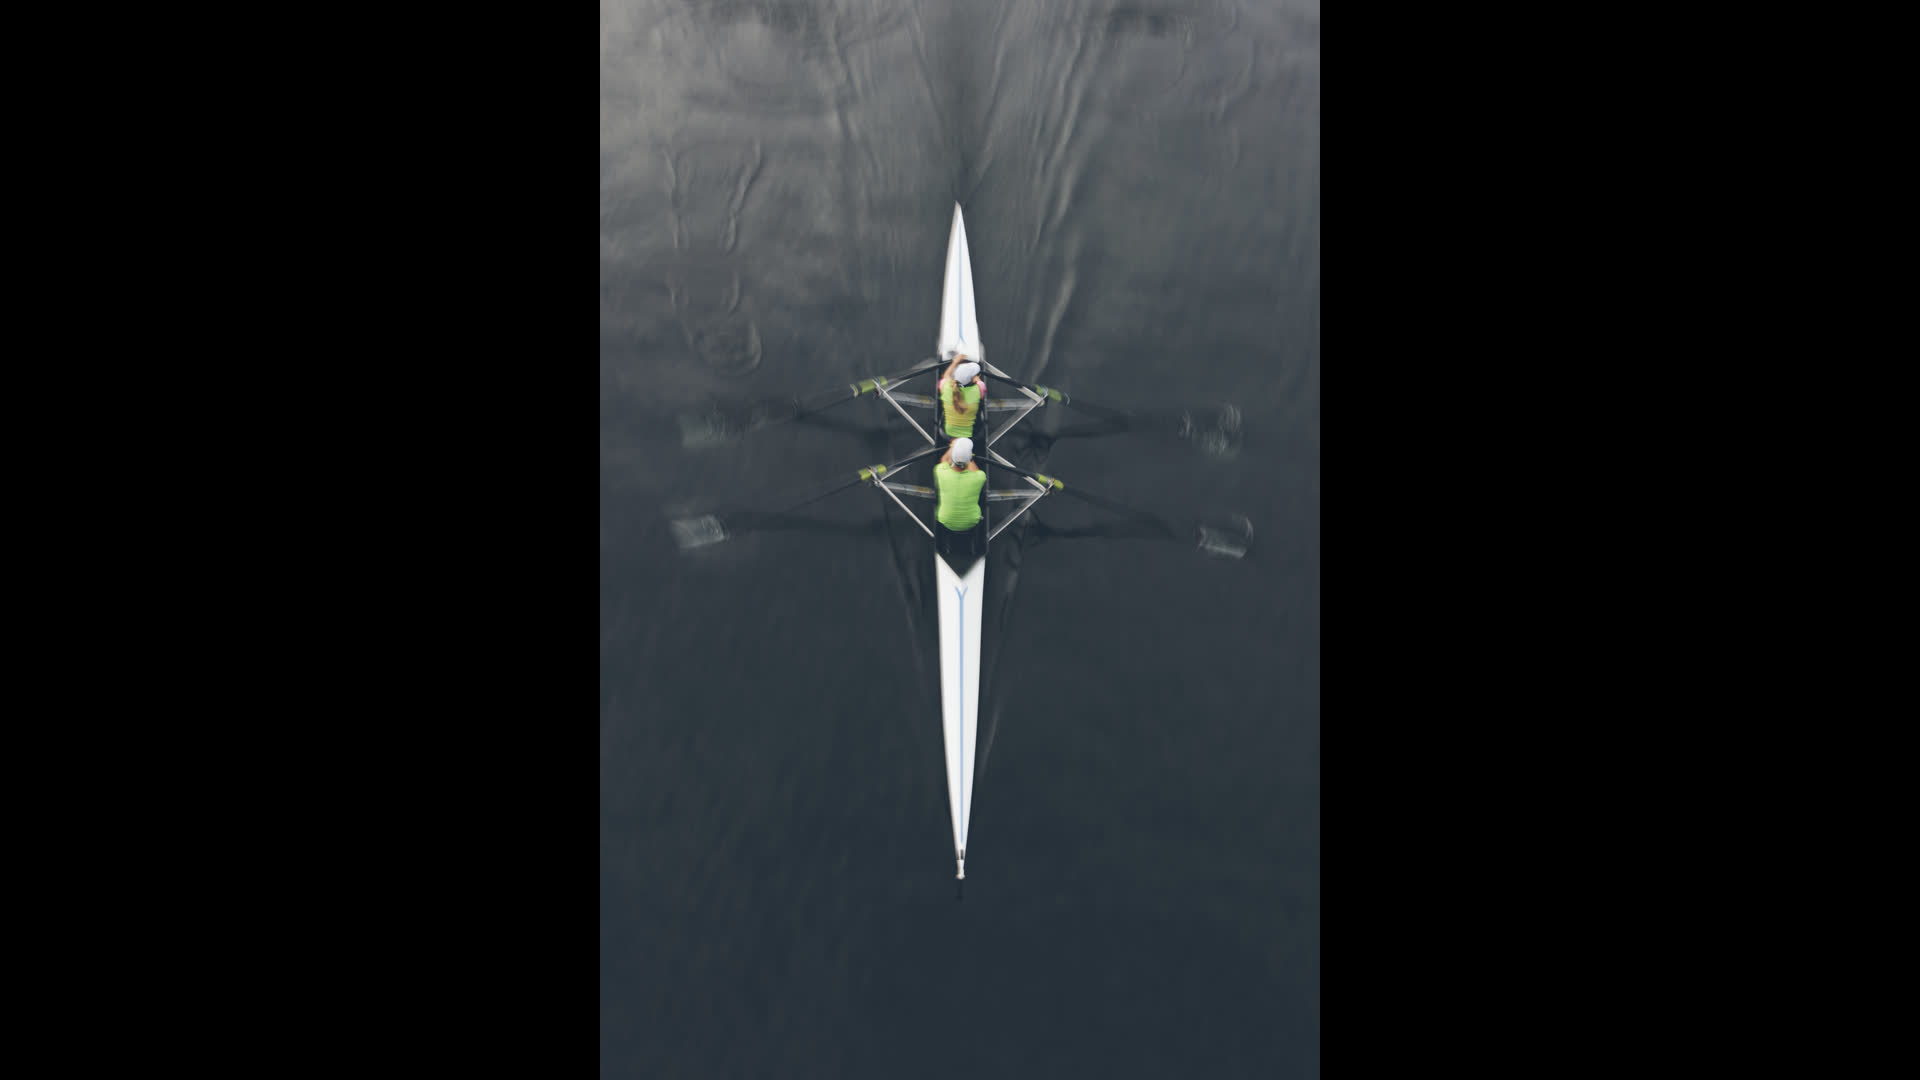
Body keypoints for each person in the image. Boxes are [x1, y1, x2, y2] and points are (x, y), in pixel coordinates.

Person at [933, 436, 987, 563]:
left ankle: (944, 545)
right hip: (972, 522)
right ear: (970, 459)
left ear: (952, 457)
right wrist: (967, 456)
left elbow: (944, 460)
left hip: (945, 521)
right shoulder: (980, 477)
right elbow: (973, 468)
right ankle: (974, 545)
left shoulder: (940, 471)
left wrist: (953, 447)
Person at [937, 354, 988, 440]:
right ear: (972, 379)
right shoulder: (979, 388)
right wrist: (976, 378)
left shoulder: (945, 386)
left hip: (946, 435)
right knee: (979, 405)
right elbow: (980, 382)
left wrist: (955, 362)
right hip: (971, 436)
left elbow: (946, 376)